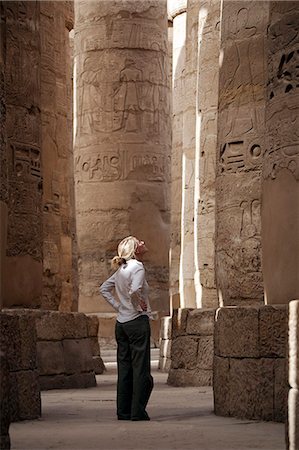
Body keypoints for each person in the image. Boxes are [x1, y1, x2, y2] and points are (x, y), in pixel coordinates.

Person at [99, 236, 154, 421]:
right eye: (140, 242)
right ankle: (137, 411)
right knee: (141, 370)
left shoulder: (122, 268)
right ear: (135, 249)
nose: (144, 243)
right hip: (137, 322)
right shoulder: (137, 267)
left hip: (121, 324)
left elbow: (104, 289)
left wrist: (119, 307)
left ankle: (123, 411)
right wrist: (137, 306)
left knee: (125, 369)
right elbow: (135, 290)